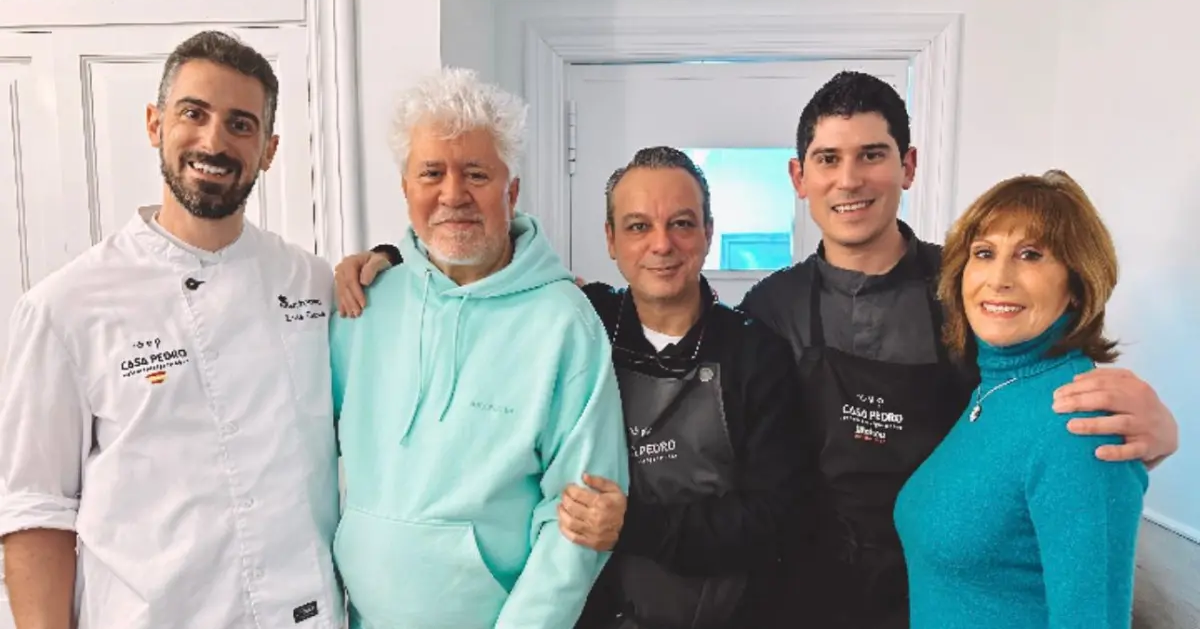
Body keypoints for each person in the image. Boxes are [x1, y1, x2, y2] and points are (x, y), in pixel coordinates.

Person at [737, 71, 1178, 628]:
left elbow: (1046, 398)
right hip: (811, 589)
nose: (848, 180)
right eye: (828, 159)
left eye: (872, 154)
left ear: (908, 166)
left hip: (940, 582)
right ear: (799, 177)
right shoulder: (769, 308)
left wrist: (1157, 428)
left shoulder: (969, 291)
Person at [0, 31, 342, 628]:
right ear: (155, 124)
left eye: (241, 124)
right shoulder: (65, 306)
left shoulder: (310, 281)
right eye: (193, 113)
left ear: (269, 150)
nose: (214, 141)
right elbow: (36, 510)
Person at [327, 67, 628, 629]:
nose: (453, 194)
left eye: (476, 174)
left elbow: (579, 520)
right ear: (406, 189)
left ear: (511, 191)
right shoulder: (359, 305)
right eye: (431, 173)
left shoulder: (565, 323)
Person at [553, 147, 812, 629]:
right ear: (610, 239)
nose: (662, 244)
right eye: (638, 226)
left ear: (708, 233)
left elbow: (773, 516)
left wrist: (632, 526)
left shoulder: (755, 354)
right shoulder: (584, 324)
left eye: (682, 224)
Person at [894, 170, 1148, 628]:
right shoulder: (993, 391)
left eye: (1030, 255)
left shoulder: (1079, 420)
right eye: (984, 253)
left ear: (1076, 285)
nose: (999, 278)